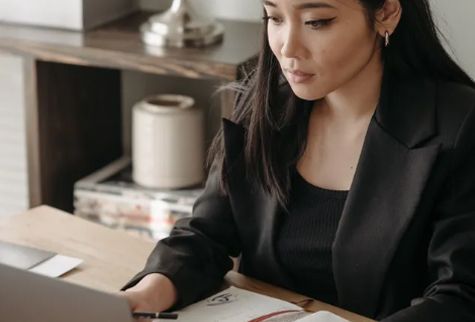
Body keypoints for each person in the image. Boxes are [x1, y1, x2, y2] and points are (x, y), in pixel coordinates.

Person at [120, 0, 475, 320]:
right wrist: (145, 294)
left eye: (317, 21)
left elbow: (461, 296)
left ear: (386, 13)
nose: (288, 47)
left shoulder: (458, 125)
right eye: (273, 17)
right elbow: (206, 235)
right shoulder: (263, 104)